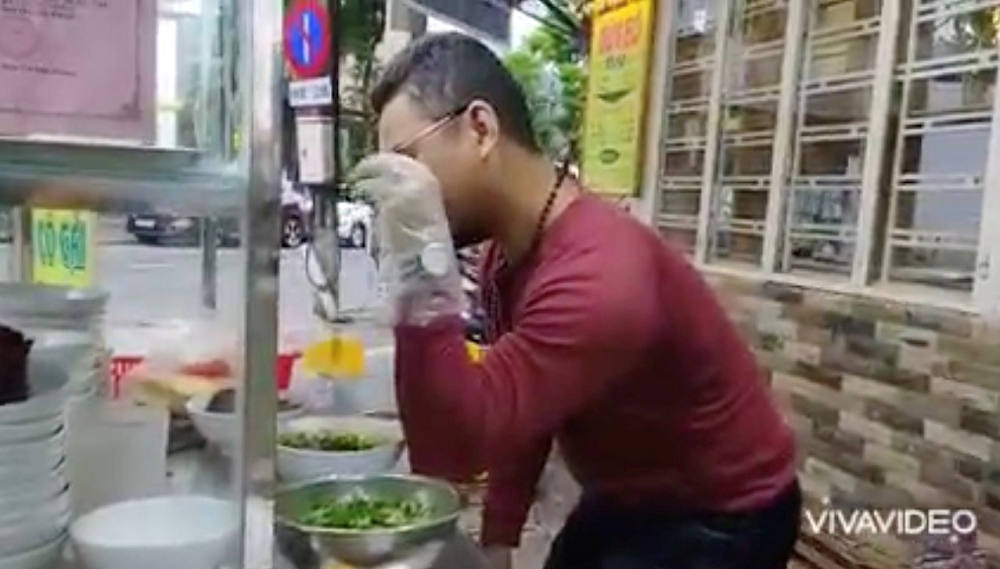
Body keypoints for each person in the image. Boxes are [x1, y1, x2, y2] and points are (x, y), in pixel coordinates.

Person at [352, 32, 801, 569]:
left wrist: (420, 271)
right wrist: (501, 535)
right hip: (629, 491)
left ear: (480, 129)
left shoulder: (599, 276)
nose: (399, 193)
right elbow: (524, 407)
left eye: (407, 160)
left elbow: (451, 448)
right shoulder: (507, 253)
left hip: (723, 512)